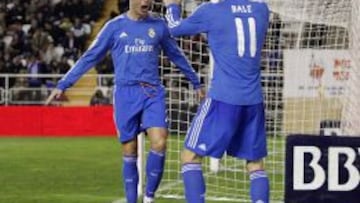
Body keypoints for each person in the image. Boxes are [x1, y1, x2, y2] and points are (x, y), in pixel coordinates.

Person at [46, 0, 205, 202]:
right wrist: (63, 84)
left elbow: (176, 55)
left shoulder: (158, 26)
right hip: (125, 94)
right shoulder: (114, 27)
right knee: (129, 150)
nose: (146, 2)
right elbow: (90, 57)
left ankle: (149, 197)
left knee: (160, 141)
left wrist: (196, 82)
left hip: (152, 92)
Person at [163, 0, 270, 202]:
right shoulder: (261, 9)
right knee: (255, 164)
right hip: (254, 100)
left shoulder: (212, 11)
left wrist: (172, 5)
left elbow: (173, 28)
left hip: (223, 99)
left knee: (190, 157)